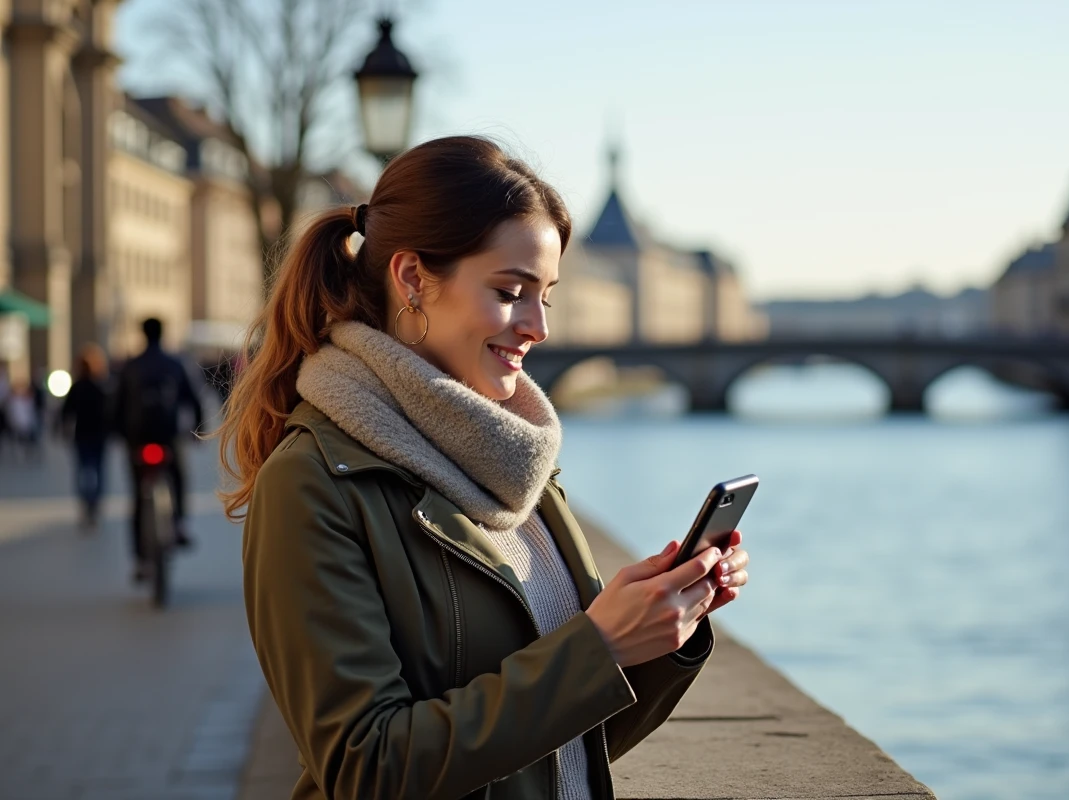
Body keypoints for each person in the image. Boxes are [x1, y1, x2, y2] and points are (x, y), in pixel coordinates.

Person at [219, 136, 752, 800]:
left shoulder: (517, 465)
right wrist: (598, 648)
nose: (538, 327)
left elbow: (565, 745)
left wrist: (664, 632)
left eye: (546, 297)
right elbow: (365, 768)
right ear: (413, 280)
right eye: (511, 291)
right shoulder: (313, 484)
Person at [113, 317, 204, 579]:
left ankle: (141, 560)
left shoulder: (130, 366)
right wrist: (197, 430)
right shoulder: (175, 364)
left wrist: (121, 436)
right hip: (168, 437)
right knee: (178, 477)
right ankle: (180, 524)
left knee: (138, 497)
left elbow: (117, 404)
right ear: (162, 334)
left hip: (138, 439)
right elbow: (194, 400)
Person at [60, 344, 112, 527]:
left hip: (83, 434)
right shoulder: (102, 387)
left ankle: (87, 503)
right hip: (98, 435)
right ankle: (94, 503)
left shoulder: (78, 387)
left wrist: (64, 430)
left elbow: (66, 412)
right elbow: (110, 412)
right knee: (97, 469)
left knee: (84, 470)